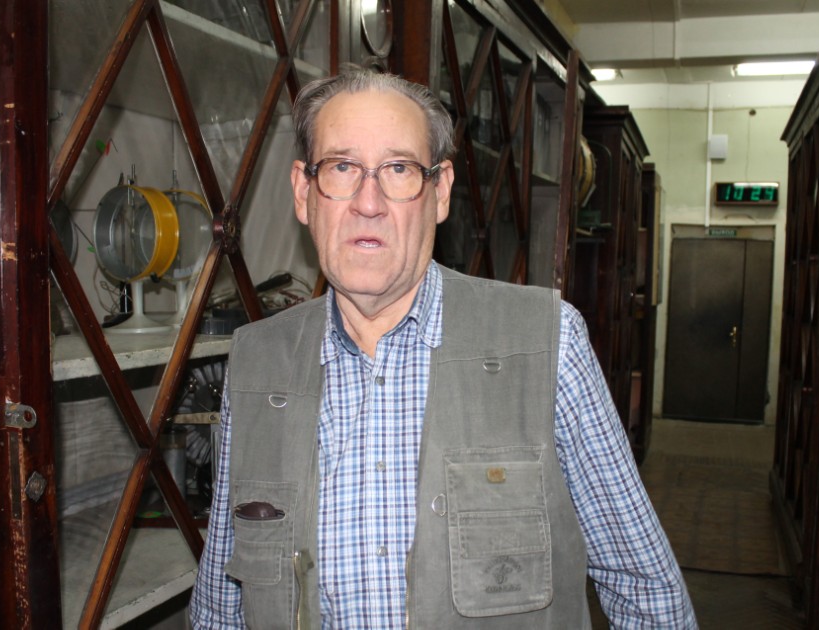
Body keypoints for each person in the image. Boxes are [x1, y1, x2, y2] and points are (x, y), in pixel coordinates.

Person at [189, 67, 697, 629]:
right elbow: (220, 607)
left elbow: (644, 588)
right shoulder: (255, 365)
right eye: (341, 167)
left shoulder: (549, 344)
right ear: (304, 193)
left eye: (399, 169)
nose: (368, 202)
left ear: (441, 192)